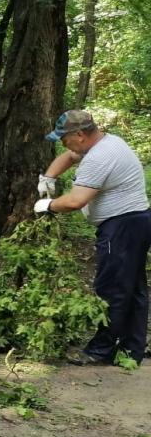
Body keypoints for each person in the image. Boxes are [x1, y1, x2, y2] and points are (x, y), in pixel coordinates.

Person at [35, 110, 151, 366]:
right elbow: (69, 156)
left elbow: (76, 201)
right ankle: (132, 348)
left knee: (112, 288)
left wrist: (47, 205)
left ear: (79, 134)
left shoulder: (100, 157)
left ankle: (100, 350)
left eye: (64, 138)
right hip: (135, 222)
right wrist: (48, 177)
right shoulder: (106, 142)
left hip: (122, 226)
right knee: (132, 287)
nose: (63, 144)